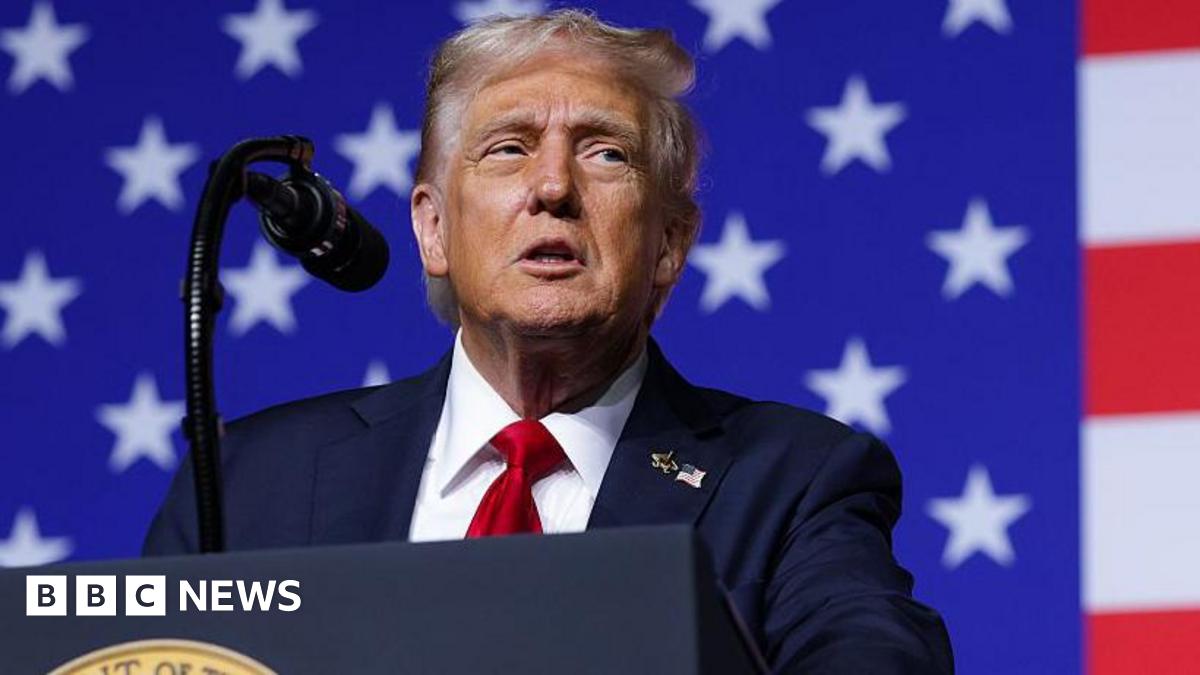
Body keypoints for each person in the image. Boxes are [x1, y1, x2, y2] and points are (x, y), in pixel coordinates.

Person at [145, 10, 953, 673]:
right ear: (433, 230)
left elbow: (871, 656)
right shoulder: (252, 483)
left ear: (669, 242)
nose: (554, 187)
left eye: (605, 152)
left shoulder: (795, 482)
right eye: (509, 148)